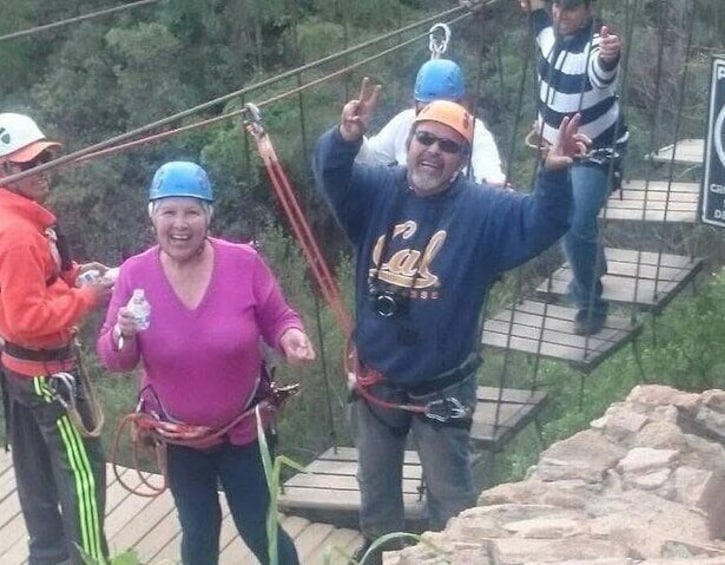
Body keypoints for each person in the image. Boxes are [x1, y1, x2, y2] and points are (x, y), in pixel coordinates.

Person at [312, 78, 589, 563]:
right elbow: (332, 174)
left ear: (463, 158)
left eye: (449, 146)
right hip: (377, 378)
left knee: (452, 501)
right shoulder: (377, 189)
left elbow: (542, 221)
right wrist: (345, 138)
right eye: (426, 139)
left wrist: (553, 172)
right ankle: (381, 555)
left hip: (442, 386)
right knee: (376, 495)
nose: (433, 152)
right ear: (409, 141)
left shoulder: (483, 210)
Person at [95, 161, 315, 565]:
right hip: (179, 437)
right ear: (153, 216)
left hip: (244, 430)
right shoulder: (135, 274)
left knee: (260, 526)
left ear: (208, 216)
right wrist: (124, 332)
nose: (180, 224)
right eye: (169, 212)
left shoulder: (243, 263)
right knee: (198, 529)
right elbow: (115, 359)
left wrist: (291, 336)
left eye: (192, 212)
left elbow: (277, 317)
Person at [0, 112, 113, 564]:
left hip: (19, 369)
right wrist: (87, 297)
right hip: (45, 372)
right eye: (31, 163)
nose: (43, 170)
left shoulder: (24, 221)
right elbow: (27, 317)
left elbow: (38, 282)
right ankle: (89, 559)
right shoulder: (18, 234)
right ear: (4, 169)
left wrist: (75, 275)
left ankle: (46, 556)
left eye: (45, 159)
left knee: (35, 472)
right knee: (83, 471)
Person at [521, 0, 629, 335]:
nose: (560, 15)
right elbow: (539, 21)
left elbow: (602, 71)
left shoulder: (594, 45)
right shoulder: (551, 37)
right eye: (557, 6)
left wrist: (610, 56)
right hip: (555, 151)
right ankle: (592, 264)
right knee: (556, 219)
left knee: (575, 223)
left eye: (570, 8)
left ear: (588, 10)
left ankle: (590, 303)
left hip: (596, 153)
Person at [356, 58, 508, 187]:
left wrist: (494, 185)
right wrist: (355, 137)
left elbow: (488, 169)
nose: (434, 119)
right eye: (426, 110)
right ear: (416, 105)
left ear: (461, 106)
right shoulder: (405, 121)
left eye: (444, 112)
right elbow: (372, 159)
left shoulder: (474, 131)